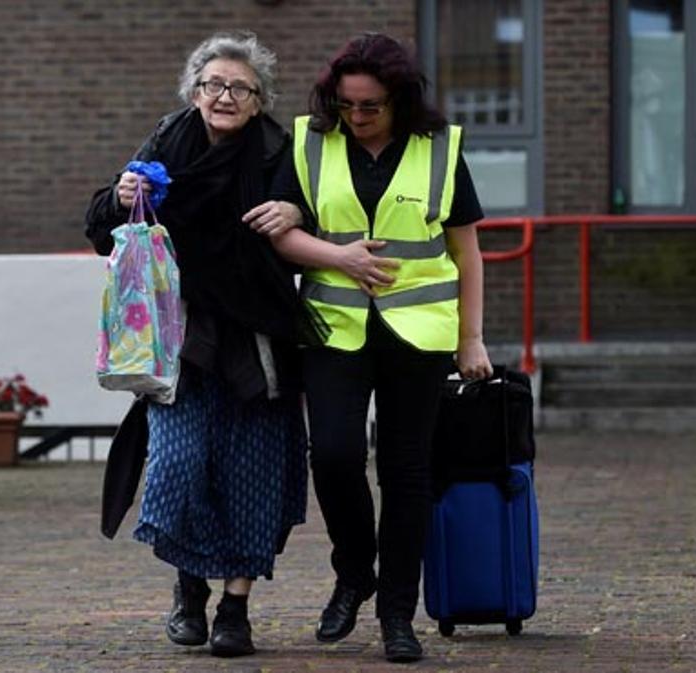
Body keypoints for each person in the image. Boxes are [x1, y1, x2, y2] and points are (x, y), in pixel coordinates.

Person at [85, 32, 325, 658]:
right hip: (184, 339)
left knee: (252, 474)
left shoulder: (280, 151)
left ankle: (235, 609)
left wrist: (297, 215)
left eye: (239, 88)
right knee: (179, 463)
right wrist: (122, 196)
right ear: (194, 92)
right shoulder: (169, 140)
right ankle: (189, 589)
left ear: (258, 99)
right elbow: (102, 221)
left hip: (258, 339)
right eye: (213, 85)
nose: (223, 96)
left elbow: (319, 212)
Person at [256, 33, 494, 663]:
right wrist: (339, 258)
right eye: (346, 105)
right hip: (334, 327)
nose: (356, 118)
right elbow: (283, 235)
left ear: (400, 101)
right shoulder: (309, 142)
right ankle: (355, 571)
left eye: (370, 106)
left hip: (420, 334)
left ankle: (396, 613)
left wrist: (471, 338)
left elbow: (466, 252)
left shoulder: (441, 150)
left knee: (406, 471)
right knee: (332, 454)